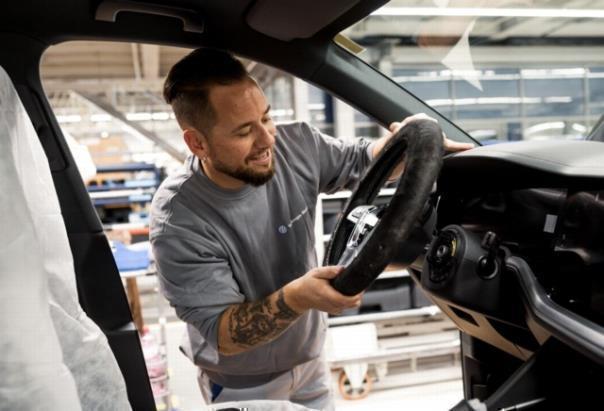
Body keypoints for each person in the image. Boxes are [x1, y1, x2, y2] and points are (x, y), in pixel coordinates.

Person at [150, 48, 472, 410]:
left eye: (267, 119)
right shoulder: (178, 220)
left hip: (310, 359)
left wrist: (410, 146)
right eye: (244, 131)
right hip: (245, 385)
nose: (267, 140)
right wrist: (298, 297)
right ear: (197, 143)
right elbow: (222, 332)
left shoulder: (295, 144)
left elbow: (364, 161)